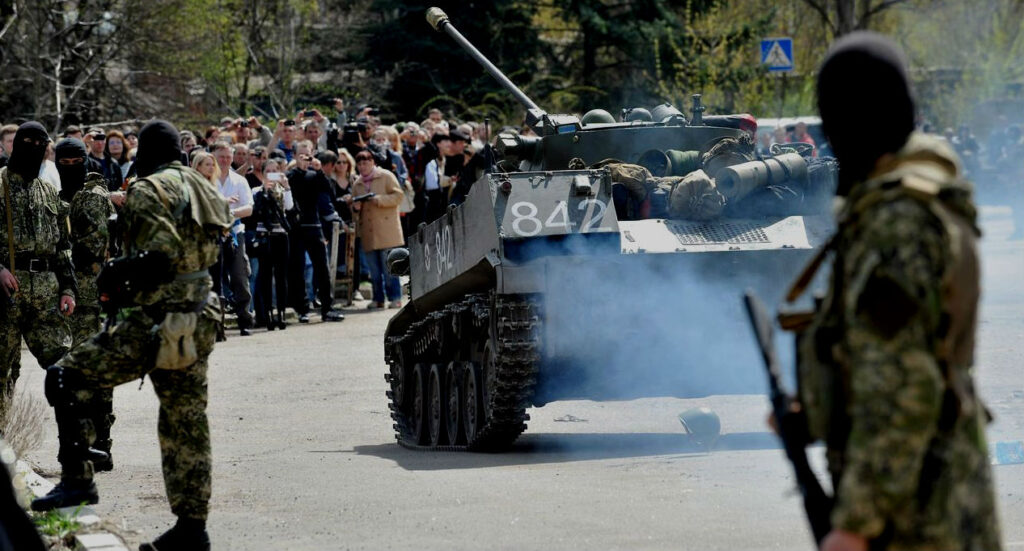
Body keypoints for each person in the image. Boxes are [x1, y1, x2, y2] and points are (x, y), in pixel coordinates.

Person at [783, 32, 1001, 551]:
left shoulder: (897, 223)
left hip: (917, 515)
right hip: (935, 491)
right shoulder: (922, 196)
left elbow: (905, 385)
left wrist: (857, 522)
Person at [31, 120, 232, 551]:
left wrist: (115, 273)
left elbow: (157, 258)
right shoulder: (203, 185)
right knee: (186, 424)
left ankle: (77, 481)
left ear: (146, 153)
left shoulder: (148, 189)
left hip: (157, 318)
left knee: (66, 376)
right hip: (198, 316)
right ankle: (191, 530)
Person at [0, 122, 77, 423]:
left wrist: (68, 289)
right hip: (7, 294)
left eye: (39, 142)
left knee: (64, 369)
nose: (32, 147)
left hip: (46, 293)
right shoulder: (0, 183)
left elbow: (63, 246)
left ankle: (73, 449)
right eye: (26, 141)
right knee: (4, 372)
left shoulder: (48, 190)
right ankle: (5, 451)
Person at [55, 138, 117, 472]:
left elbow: (91, 248)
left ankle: (101, 443)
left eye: (74, 161)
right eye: (62, 162)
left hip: (92, 299)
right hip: (64, 298)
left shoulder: (94, 197)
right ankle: (77, 444)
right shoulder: (55, 194)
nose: (68, 167)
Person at [286, 153, 345, 322]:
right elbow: (290, 188)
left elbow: (329, 191)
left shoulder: (315, 176)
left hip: (314, 226)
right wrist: (297, 168)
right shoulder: (290, 176)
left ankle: (327, 308)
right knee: (297, 269)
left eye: (308, 156)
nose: (305, 160)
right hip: (296, 228)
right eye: (301, 156)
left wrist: (319, 171)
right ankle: (302, 309)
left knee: (322, 269)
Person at [210, 142, 254, 335]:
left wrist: (230, 213)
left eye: (228, 156)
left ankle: (245, 319)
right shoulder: (206, 181)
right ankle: (215, 325)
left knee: (239, 276)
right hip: (212, 234)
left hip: (235, 233)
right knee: (214, 280)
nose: (226, 160)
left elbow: (249, 209)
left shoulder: (239, 180)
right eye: (222, 157)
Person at [351, 149, 404, 309]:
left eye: (366, 162)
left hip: (387, 230)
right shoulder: (357, 184)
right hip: (368, 232)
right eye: (359, 163)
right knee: (374, 271)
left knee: (390, 269)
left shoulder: (386, 175)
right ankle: (378, 299)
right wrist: (355, 208)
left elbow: (398, 196)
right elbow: (354, 212)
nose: (362, 166)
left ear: (373, 162)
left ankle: (395, 297)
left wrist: (379, 199)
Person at [251, 159, 292, 329]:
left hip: (280, 235)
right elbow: (255, 211)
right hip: (264, 235)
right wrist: (264, 191)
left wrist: (286, 186)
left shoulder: (283, 190)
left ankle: (281, 312)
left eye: (275, 170)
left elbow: (289, 207)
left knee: (281, 276)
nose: (272, 173)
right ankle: (268, 314)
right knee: (265, 275)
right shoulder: (257, 190)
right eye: (269, 170)